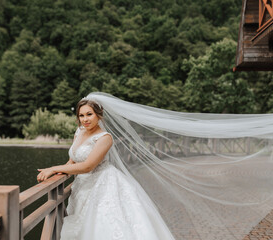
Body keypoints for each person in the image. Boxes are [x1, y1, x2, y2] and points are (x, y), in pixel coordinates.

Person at [37, 97, 175, 240]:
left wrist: (53, 168)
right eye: (81, 115)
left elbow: (87, 166)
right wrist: (60, 171)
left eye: (89, 114)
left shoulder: (105, 138)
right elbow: (73, 160)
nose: (85, 119)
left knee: (102, 226)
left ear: (99, 114)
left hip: (102, 184)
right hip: (81, 186)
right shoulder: (79, 132)